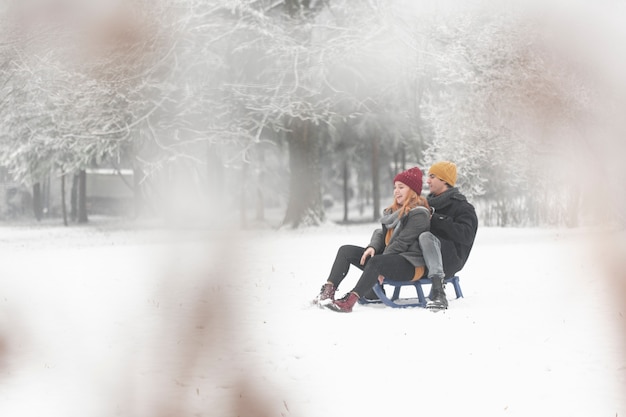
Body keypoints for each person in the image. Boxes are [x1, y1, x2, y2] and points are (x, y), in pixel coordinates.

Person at [313, 166, 431, 313]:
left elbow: (401, 243)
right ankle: (327, 293)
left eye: (401, 187)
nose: (396, 191)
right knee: (345, 250)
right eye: (395, 187)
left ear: (412, 191)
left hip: (410, 265)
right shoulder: (393, 212)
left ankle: (349, 301)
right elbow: (381, 234)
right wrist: (373, 247)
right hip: (387, 260)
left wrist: (383, 264)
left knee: (376, 261)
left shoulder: (420, 214)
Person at [419, 161, 478, 309]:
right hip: (424, 255)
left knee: (426, 237)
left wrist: (437, 219)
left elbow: (466, 235)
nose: (428, 181)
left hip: (451, 259)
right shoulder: (426, 204)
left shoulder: (463, 207)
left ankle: (439, 293)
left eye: (432, 176)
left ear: (444, 180)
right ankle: (376, 283)